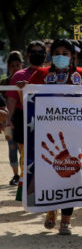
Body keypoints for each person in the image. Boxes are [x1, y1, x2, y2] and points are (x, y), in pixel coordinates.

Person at [28, 39, 82, 235]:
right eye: (57, 52)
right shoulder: (40, 75)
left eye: (65, 53)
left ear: (72, 55)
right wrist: (26, 88)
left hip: (75, 135)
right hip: (48, 136)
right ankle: (51, 209)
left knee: (71, 173)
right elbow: (29, 102)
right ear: (51, 55)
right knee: (50, 172)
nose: (61, 56)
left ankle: (66, 219)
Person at [4, 41, 47, 192]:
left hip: (47, 117)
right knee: (26, 155)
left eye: (41, 52)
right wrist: (8, 120)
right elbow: (11, 100)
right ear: (28, 56)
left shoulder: (51, 74)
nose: (38, 55)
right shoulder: (19, 75)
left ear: (45, 55)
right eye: (34, 52)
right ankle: (26, 189)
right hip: (23, 118)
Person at [1, 51, 23, 185]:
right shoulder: (5, 82)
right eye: (12, 65)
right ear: (8, 67)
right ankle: (15, 175)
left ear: (22, 65)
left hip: (22, 119)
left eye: (17, 65)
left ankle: (23, 174)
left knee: (23, 148)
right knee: (12, 147)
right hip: (8, 120)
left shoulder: (26, 81)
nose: (15, 68)